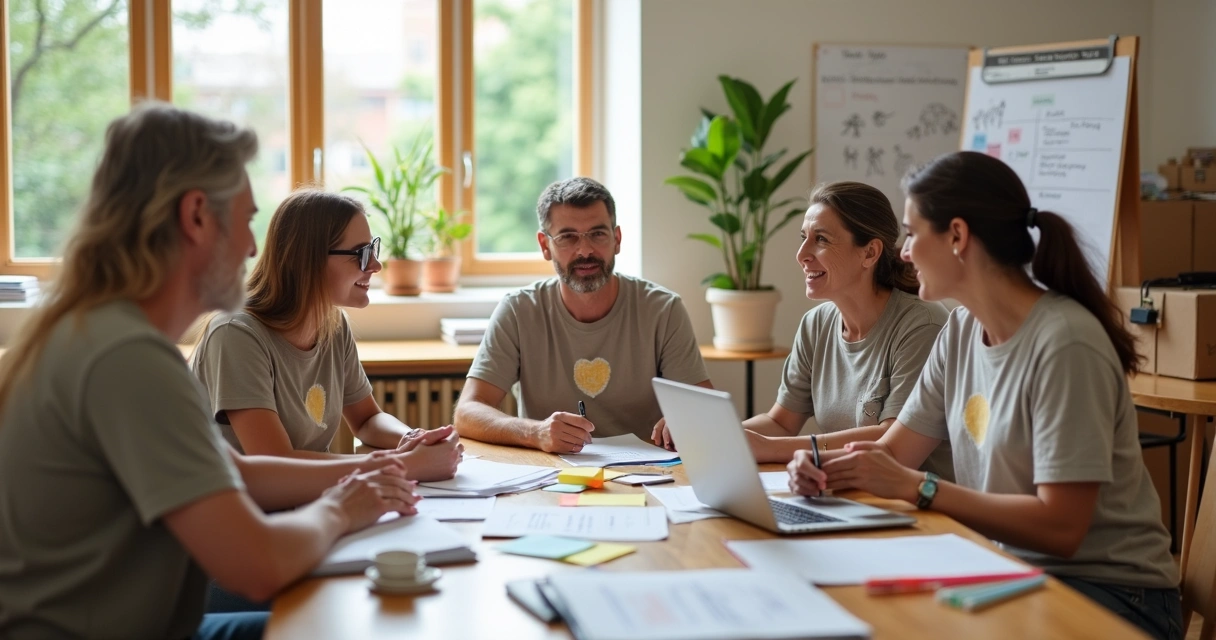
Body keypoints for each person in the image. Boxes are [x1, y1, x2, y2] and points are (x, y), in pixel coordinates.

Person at [0, 104, 422, 640]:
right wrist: (342, 506)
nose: (252, 247)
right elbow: (257, 563)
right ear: (196, 216)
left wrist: (378, 471)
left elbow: (236, 474)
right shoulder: (127, 360)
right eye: (247, 219)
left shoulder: (104, 333)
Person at [788, 151, 1181, 640]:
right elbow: (892, 455)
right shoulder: (959, 330)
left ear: (957, 236)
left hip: (1113, 594)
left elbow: (1061, 528)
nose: (904, 252)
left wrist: (921, 488)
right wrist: (824, 469)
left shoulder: (1065, 342)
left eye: (912, 233)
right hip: (1005, 568)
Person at [654, 181, 952, 478]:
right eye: (803, 237)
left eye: (821, 239)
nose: (802, 254)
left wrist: (770, 448)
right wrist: (705, 431)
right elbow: (781, 422)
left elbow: (890, 442)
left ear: (870, 253)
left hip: (919, 509)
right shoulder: (816, 325)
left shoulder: (921, 325)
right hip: (848, 494)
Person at [191, 189, 461, 481]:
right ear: (309, 259)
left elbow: (368, 420)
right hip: (246, 515)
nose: (375, 266)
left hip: (307, 503)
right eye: (361, 254)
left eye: (373, 249)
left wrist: (412, 438)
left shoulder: (333, 324)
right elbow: (275, 463)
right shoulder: (235, 335)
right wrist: (403, 465)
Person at [454, 177, 711, 453]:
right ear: (545, 246)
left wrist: (685, 421)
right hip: (549, 477)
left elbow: (706, 410)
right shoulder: (519, 310)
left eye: (598, 234)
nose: (585, 250)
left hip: (650, 476)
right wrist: (535, 432)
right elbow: (467, 412)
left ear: (617, 239)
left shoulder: (663, 310)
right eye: (568, 237)